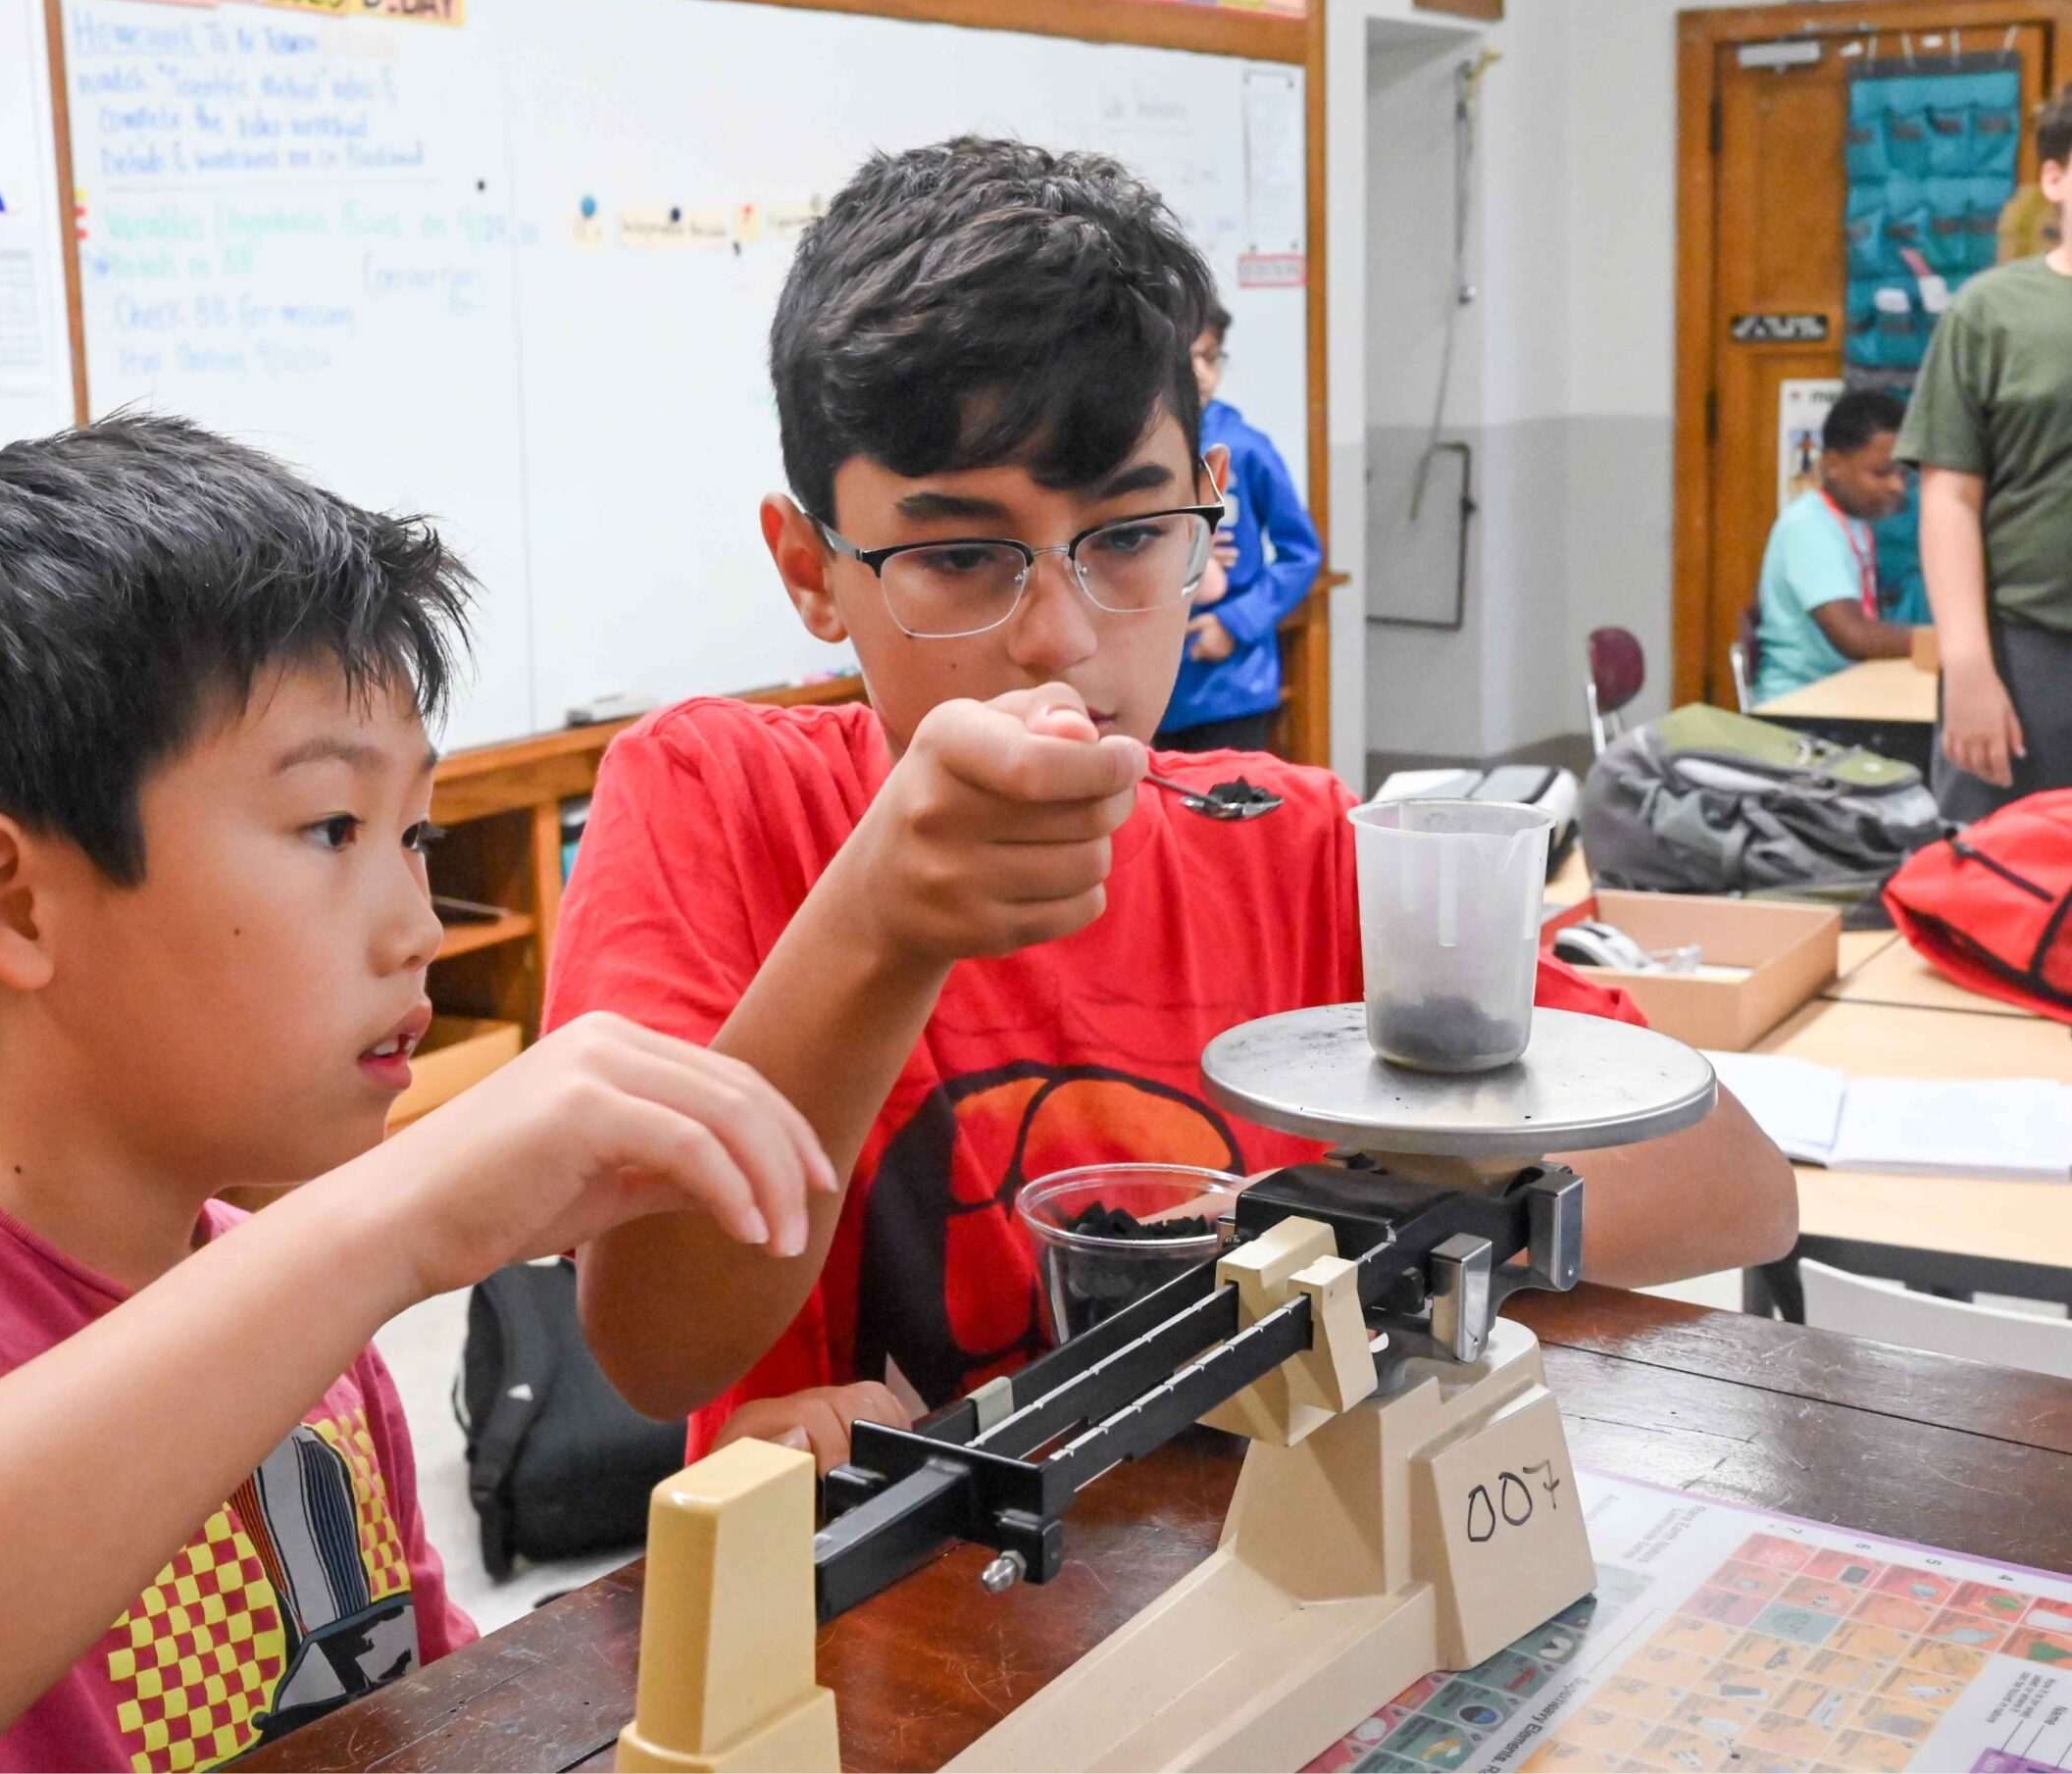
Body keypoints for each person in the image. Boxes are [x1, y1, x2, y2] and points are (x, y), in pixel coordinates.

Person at [0, 418, 825, 1769]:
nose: (419, 929)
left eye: (416, 835)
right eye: (330, 829)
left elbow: (426, 1713)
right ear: (10, 900)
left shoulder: (293, 1309)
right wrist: (382, 1226)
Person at [550, 138, 1797, 1464]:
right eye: (962, 557)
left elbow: (1736, 1190)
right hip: (889, 1627)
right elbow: (655, 1345)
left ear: (1207, 518)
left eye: (1130, 538)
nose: (1059, 640)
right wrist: (879, 925)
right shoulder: (717, 798)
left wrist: (1317, 1264)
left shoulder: (1301, 845)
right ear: (813, 569)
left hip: (1276, 1589)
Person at [1907, 85, 2072, 822]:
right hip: (2025, 651)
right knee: (1995, 900)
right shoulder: (1989, 312)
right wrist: (1968, 665)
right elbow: (1949, 496)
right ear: (2055, 178)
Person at [1155, 302, 1323, 754]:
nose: (1201, 373)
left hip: (1232, 682)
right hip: (1154, 680)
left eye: (1211, 357)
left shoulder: (1247, 448)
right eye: (1187, 358)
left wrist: (1237, 622)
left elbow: (1301, 554)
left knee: (1228, 811)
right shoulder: (1140, 451)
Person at [1752, 388, 1919, 702]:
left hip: (1843, 694)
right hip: (1801, 707)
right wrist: (1947, 645)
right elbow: (1853, 637)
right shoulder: (1809, 526)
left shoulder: (1853, 521)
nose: (1897, 486)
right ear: (1832, 464)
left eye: (1900, 473)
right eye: (1882, 472)